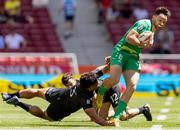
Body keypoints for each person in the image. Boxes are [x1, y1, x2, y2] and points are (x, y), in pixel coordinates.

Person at [96, 6, 171, 124]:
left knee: (132, 86)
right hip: (121, 51)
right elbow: (129, 37)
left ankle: (116, 117)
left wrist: (145, 45)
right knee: (115, 80)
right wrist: (142, 44)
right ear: (153, 17)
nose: (161, 23)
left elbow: (140, 45)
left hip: (133, 56)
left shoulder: (153, 30)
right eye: (160, 19)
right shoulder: (144, 23)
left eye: (164, 21)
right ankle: (100, 92)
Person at [1, 64, 116, 126]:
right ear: (90, 87)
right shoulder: (84, 97)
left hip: (58, 94)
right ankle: (19, 103)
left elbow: (102, 69)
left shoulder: (85, 79)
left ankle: (9, 95)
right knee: (44, 115)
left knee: (37, 91)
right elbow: (94, 117)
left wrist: (112, 63)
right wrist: (107, 123)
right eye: (96, 83)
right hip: (60, 108)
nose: (98, 83)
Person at [62, 72, 152, 122]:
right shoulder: (84, 82)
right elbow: (95, 100)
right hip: (104, 92)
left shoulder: (84, 83)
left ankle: (144, 109)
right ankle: (122, 109)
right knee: (102, 119)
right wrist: (94, 117)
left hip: (112, 89)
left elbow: (94, 100)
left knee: (122, 116)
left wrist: (93, 116)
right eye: (68, 85)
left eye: (70, 83)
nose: (70, 86)